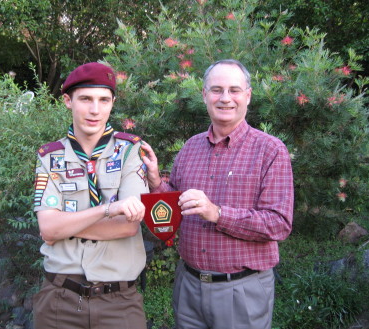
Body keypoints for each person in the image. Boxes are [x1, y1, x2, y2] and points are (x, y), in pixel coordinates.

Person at [141, 59, 294, 329]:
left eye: (234, 90)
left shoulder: (270, 150)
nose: (225, 98)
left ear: (248, 95)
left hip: (241, 290)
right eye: (216, 90)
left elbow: (278, 223)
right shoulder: (190, 148)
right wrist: (155, 182)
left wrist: (217, 213)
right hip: (188, 286)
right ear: (204, 95)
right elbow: (173, 209)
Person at [32, 62, 149, 329]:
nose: (95, 110)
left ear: (112, 103)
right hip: (59, 300)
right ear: (67, 101)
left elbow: (128, 226)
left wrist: (66, 225)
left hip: (118, 302)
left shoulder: (130, 151)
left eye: (103, 100)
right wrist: (107, 210)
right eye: (85, 99)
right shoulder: (50, 157)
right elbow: (48, 228)